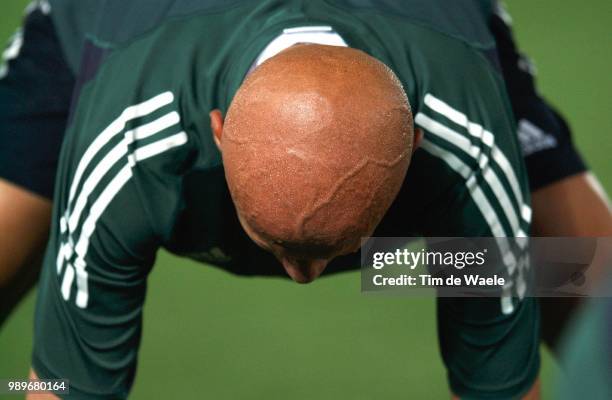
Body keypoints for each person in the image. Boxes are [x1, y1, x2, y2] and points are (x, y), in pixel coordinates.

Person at [0, 1, 608, 399]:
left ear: (415, 144)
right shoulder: (130, 143)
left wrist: (453, 266)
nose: (304, 278)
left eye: (339, 251)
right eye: (276, 246)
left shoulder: (467, 145)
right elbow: (58, 388)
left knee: (585, 285)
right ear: (218, 132)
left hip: (435, 31)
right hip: (111, 36)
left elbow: (499, 389)